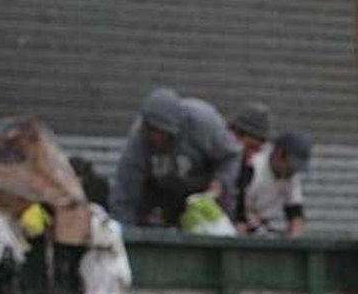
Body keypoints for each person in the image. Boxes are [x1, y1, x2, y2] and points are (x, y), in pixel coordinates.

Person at [111, 88, 241, 227]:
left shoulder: (203, 123)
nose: (158, 138)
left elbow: (230, 156)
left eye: (164, 133)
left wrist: (220, 183)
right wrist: (124, 229)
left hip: (204, 193)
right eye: (153, 131)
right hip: (163, 194)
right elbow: (126, 188)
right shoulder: (138, 140)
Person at [239, 132, 310, 237]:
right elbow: (240, 209)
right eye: (290, 167)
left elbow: (295, 212)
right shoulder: (253, 166)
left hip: (259, 225)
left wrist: (295, 237)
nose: (293, 172)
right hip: (238, 222)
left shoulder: (291, 176)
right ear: (280, 154)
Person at [227, 102, 272, 225]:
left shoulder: (250, 168)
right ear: (235, 134)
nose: (251, 155)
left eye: (256, 150)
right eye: (250, 147)